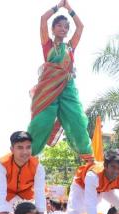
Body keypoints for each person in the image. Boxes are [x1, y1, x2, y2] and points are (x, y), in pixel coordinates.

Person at [27, 0, 92, 159]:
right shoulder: (47, 44)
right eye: (59, 25)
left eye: (66, 27)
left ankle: (89, 160)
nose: (63, 29)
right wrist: (58, 6)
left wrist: (69, 9)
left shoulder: (70, 47)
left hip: (67, 89)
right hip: (47, 90)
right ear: (53, 28)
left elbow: (81, 27)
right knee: (42, 122)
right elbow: (43, 19)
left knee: (77, 121)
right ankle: (28, 157)